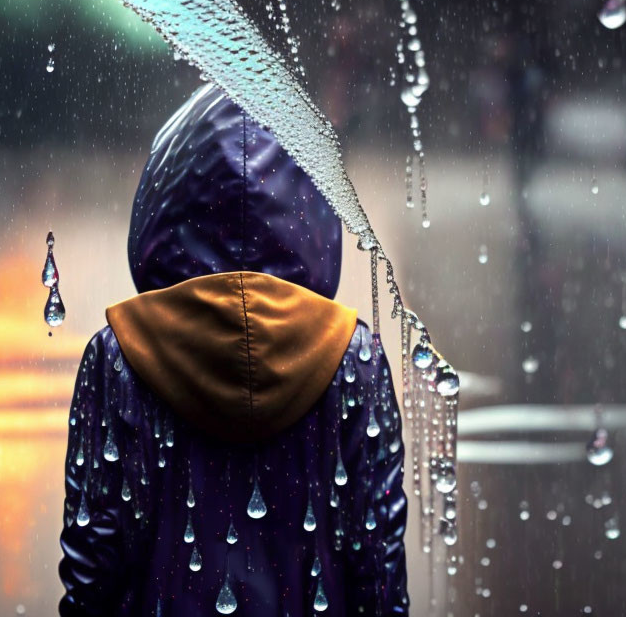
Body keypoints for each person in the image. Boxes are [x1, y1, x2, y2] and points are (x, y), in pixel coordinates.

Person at [58, 84, 409, 616]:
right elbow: (378, 579)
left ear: (165, 198)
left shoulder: (118, 359)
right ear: (311, 208)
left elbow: (93, 573)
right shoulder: (354, 361)